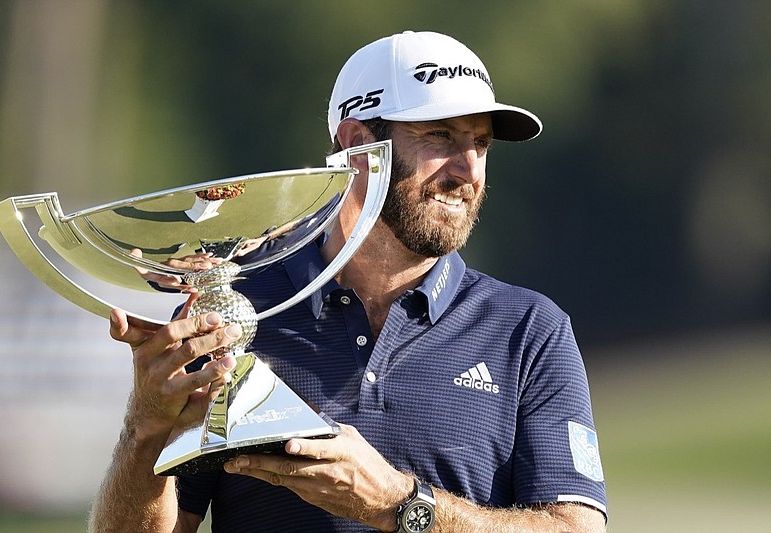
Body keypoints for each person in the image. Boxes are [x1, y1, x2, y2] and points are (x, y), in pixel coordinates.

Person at [90, 31, 607, 532]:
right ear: (358, 146)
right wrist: (145, 429)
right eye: (440, 137)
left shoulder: (529, 330)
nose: (468, 170)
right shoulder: (232, 314)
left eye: (481, 143)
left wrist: (399, 505)